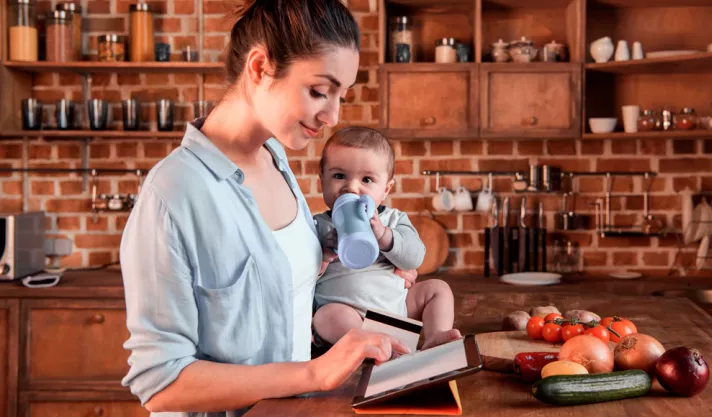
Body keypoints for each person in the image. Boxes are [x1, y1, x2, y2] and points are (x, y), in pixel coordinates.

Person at [119, 1, 422, 416]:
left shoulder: (276, 160)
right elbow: (160, 383)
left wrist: (386, 261)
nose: (332, 115)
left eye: (340, 96)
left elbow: (290, 286)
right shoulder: (173, 193)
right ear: (260, 67)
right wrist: (316, 374)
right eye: (319, 91)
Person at [312, 127, 462, 350]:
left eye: (367, 179)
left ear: (386, 189)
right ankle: (372, 348)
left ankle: (434, 337)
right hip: (350, 320)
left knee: (438, 289)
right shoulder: (316, 226)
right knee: (326, 316)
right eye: (339, 176)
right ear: (321, 179)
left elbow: (415, 257)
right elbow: (300, 276)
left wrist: (383, 236)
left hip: (396, 311)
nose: (352, 187)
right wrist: (323, 256)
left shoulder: (393, 219)